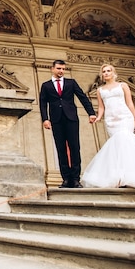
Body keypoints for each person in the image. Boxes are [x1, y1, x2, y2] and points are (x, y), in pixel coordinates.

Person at [81, 64, 135, 192]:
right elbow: (101, 107)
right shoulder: (100, 90)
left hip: (125, 117)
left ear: (113, 72)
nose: (106, 73)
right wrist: (98, 117)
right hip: (110, 120)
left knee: (126, 141)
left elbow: (130, 103)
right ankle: (119, 177)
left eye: (108, 71)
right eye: (104, 71)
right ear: (102, 75)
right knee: (117, 146)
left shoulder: (123, 86)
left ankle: (132, 176)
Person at [40, 59, 97, 188]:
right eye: (59, 68)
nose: (61, 71)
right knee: (61, 149)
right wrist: (45, 119)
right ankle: (65, 179)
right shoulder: (46, 85)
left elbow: (82, 97)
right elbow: (43, 104)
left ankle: (76, 179)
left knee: (74, 148)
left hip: (71, 119)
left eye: (63, 69)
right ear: (52, 69)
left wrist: (91, 113)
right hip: (56, 120)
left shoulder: (71, 83)